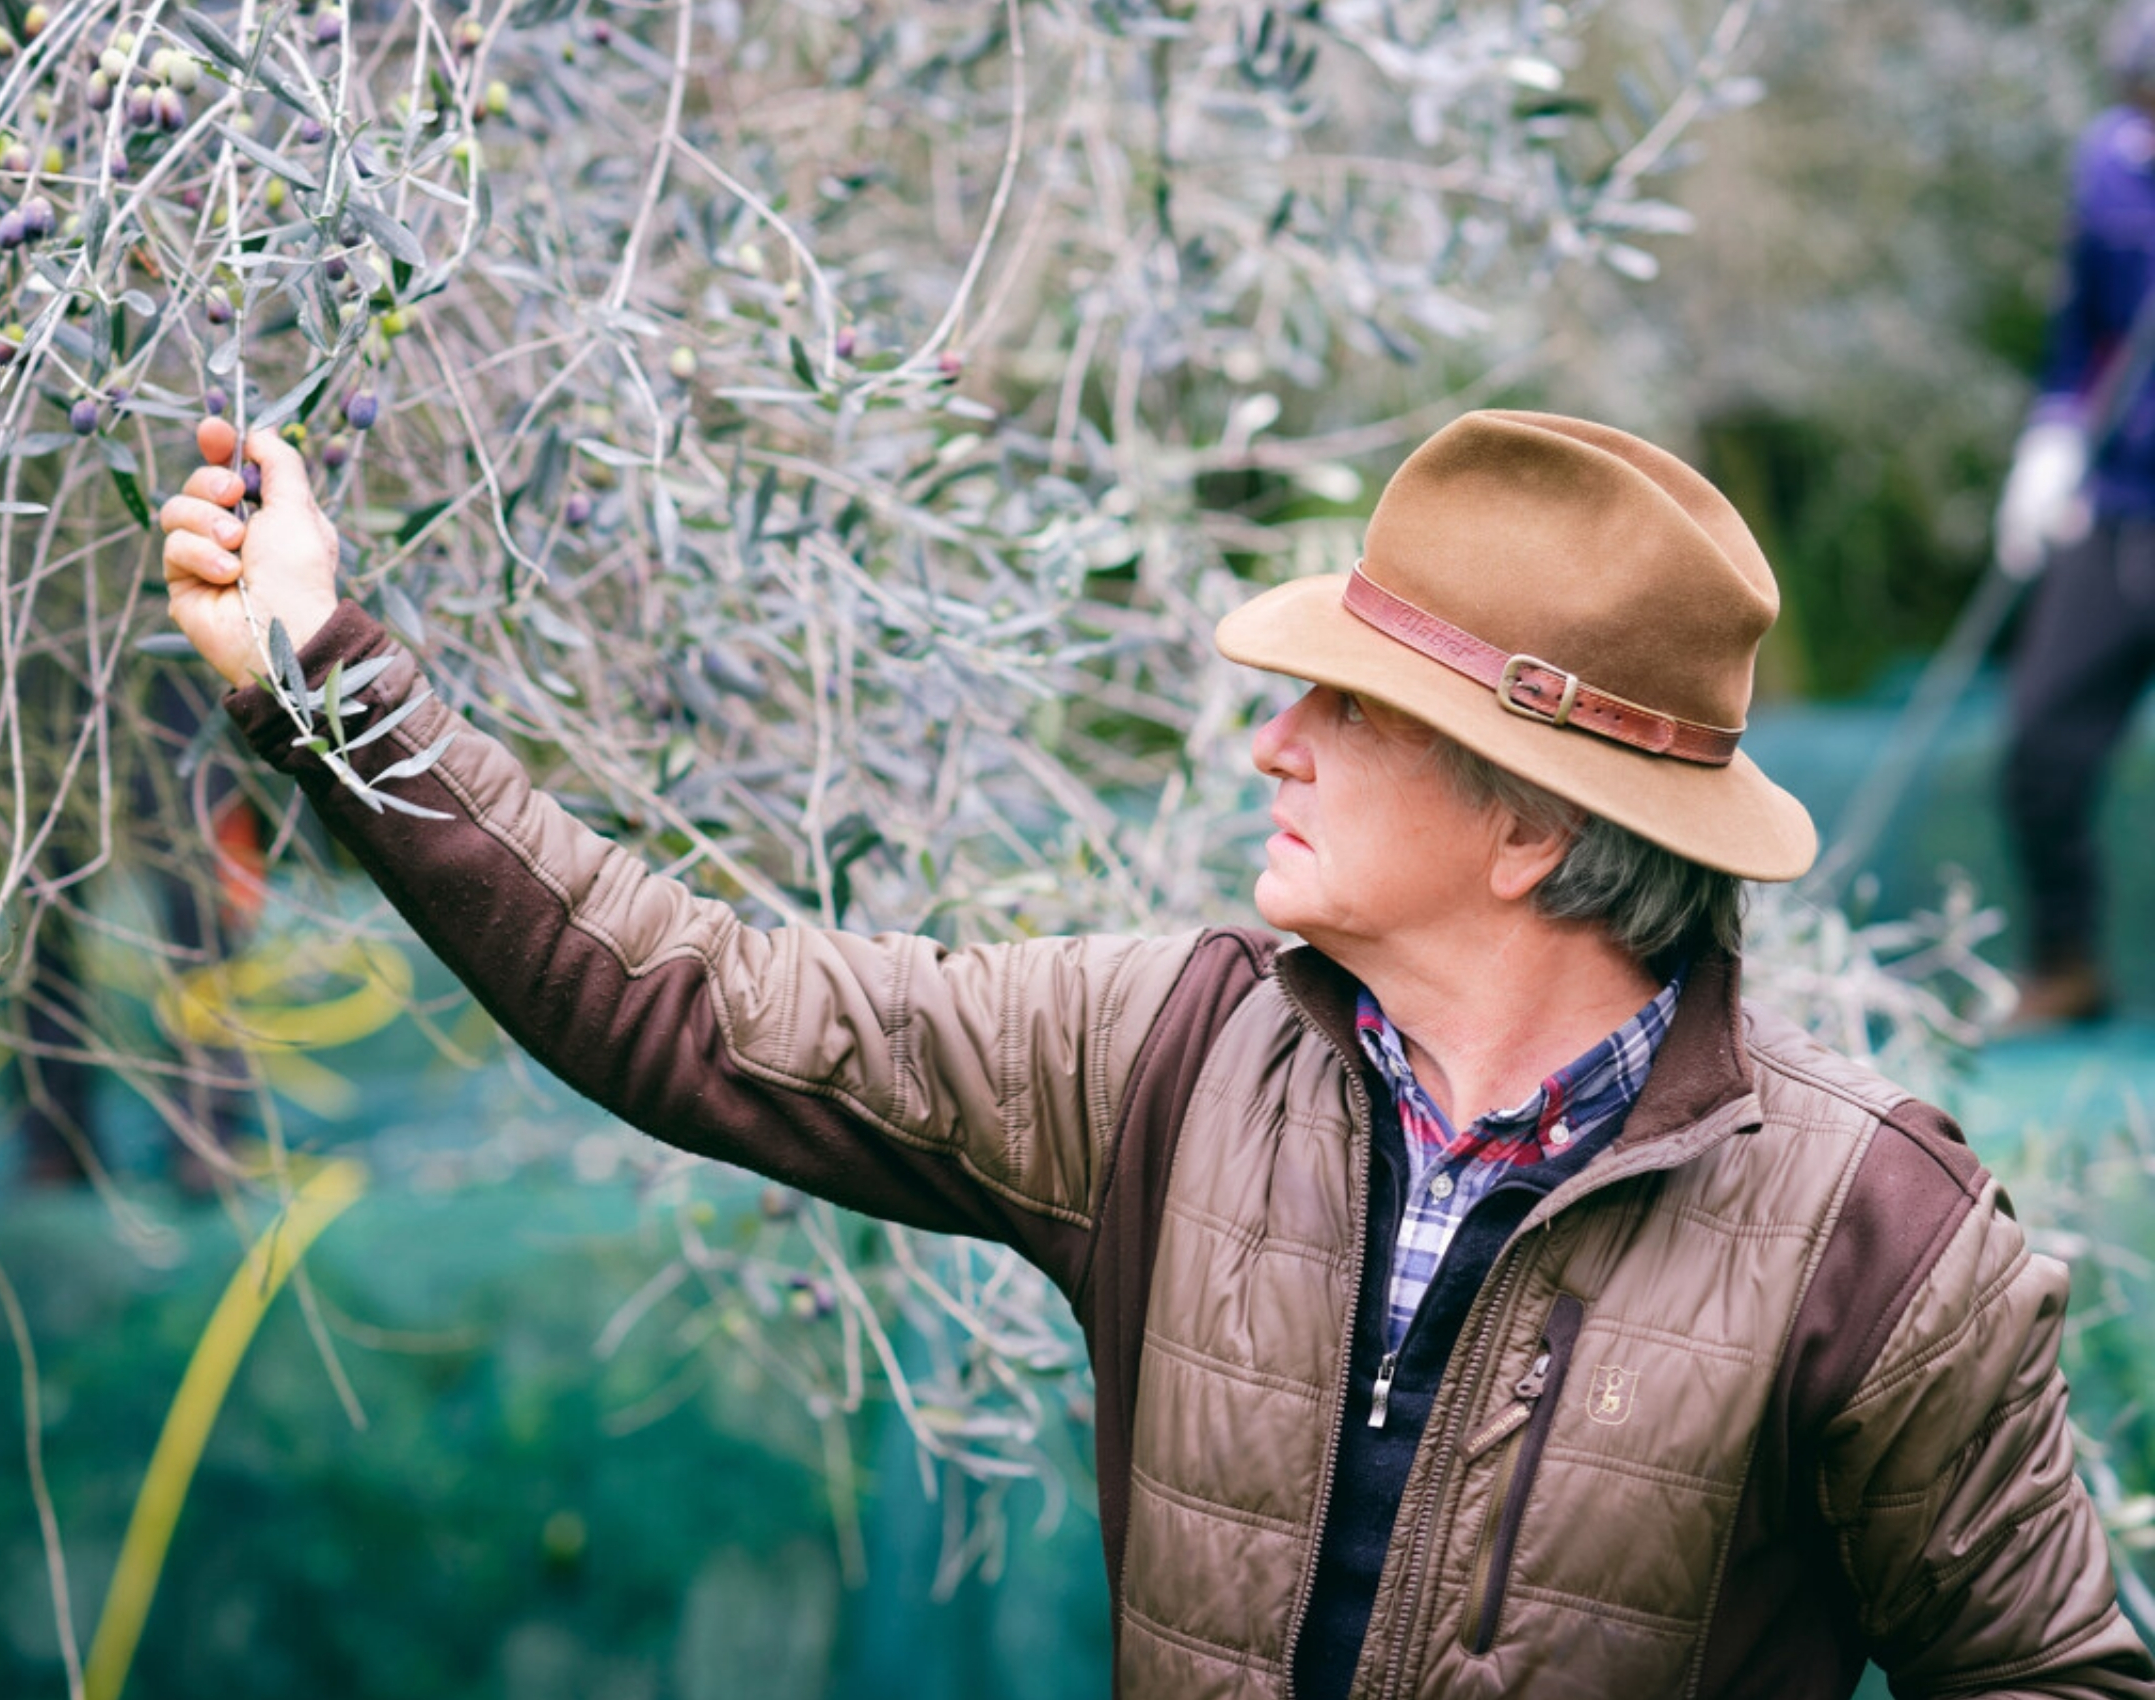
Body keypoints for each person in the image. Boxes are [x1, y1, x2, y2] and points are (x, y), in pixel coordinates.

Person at [158, 408, 2153, 1696]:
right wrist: (327, 682)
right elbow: (679, 996)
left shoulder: (1877, 1244)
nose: (1271, 739)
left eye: (1344, 713)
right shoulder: (1167, 1059)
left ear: (1527, 826)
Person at [1992, 0, 2155, 1027]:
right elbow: (2082, 336)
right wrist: (2050, 443)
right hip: (2118, 501)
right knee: (2038, 746)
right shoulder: (2107, 165)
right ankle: (2068, 962)